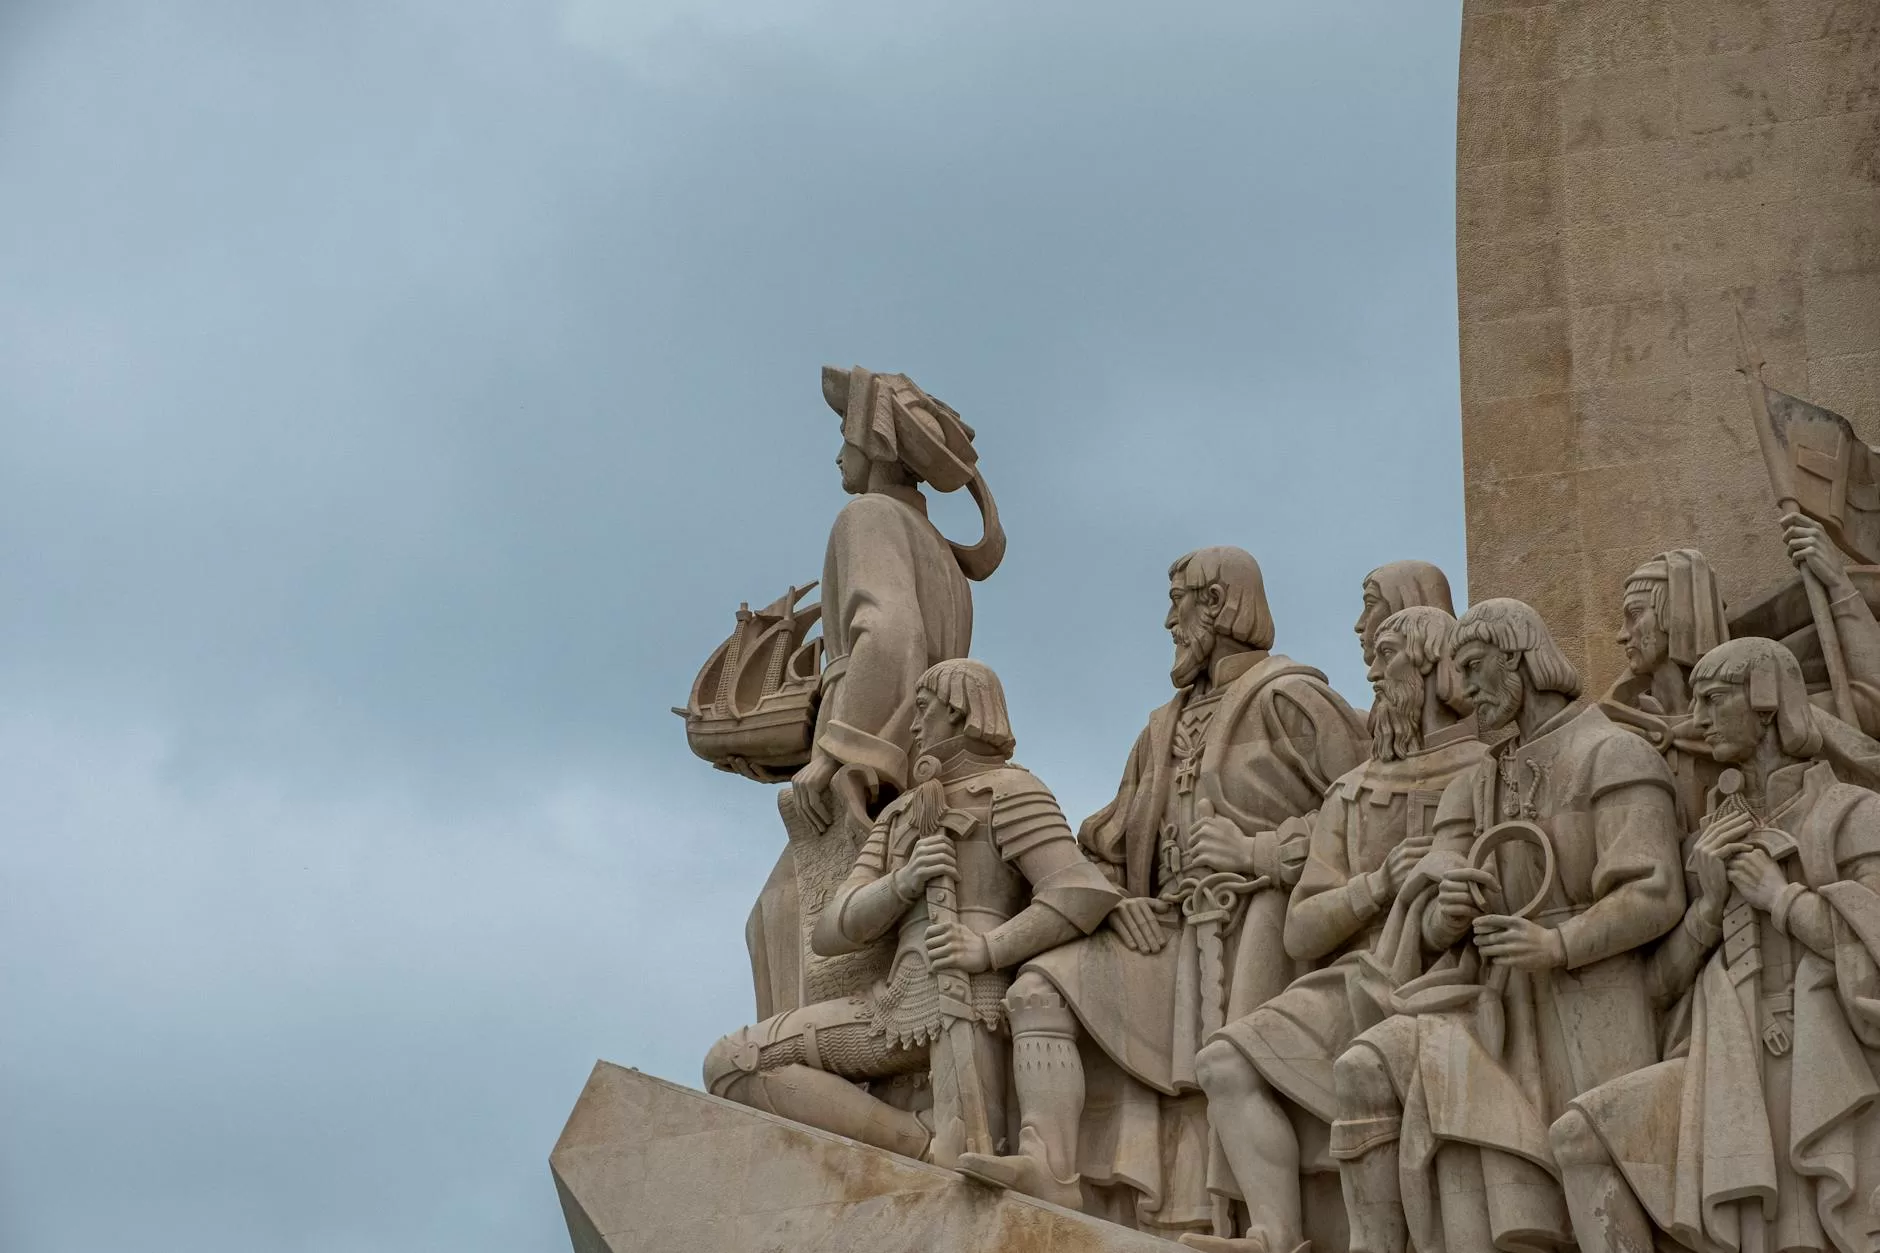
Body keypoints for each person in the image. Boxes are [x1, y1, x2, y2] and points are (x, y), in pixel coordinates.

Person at [957, 547, 1368, 1237]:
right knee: (1040, 986)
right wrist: (1118, 902)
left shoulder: (1290, 695)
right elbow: (1107, 845)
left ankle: (1268, 1228)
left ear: (1218, 604)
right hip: (1169, 929)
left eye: (1180, 601)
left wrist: (1261, 851)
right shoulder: (1160, 727)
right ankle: (1047, 1164)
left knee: (1239, 1067)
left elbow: (1369, 803)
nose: (1170, 619)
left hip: (1262, 924)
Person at [1332, 599, 1686, 1253]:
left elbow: (1655, 890)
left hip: (1594, 1002)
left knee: (1591, 1185)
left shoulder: (1613, 752)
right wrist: (1448, 912)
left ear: (1518, 659)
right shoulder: (1475, 783)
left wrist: (1557, 942)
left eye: (1473, 668)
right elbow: (1432, 924)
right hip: (1494, 1007)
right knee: (1364, 1066)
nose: (1462, 692)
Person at [704, 659, 1117, 1161]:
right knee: (733, 1063)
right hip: (893, 1003)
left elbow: (1079, 891)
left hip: (972, 998)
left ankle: (946, 1143)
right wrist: (903, 881)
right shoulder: (901, 814)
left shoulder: (1008, 791)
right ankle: (918, 1143)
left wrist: (988, 948)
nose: (914, 726)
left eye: (924, 710)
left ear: (961, 712)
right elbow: (832, 929)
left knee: (969, 1139)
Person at [1553, 637, 1880, 1253]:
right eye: (1696, 698)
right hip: (1723, 1052)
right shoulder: (1710, 833)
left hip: (1820, 1058)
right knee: (1580, 1138)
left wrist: (1781, 898)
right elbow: (1657, 988)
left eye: (1714, 698)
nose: (1697, 718)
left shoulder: (1850, 815)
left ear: (1765, 703)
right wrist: (1704, 908)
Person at [1190, 606, 1484, 1253]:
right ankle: (1276, 1233)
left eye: (1387, 657)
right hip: (1353, 977)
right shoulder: (1353, 791)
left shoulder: (1488, 768)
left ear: (1434, 664)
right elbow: (1302, 931)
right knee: (1222, 1062)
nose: (1371, 673)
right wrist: (1377, 883)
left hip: (1452, 979)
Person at [746, 366, 1006, 1018]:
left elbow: (889, 636)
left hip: (872, 758)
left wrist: (841, 756)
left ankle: (793, 1074)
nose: (838, 450)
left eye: (845, 431)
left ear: (874, 440)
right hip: (916, 751)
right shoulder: (941, 553)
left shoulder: (866, 516)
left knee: (783, 921)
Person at [1599, 548, 1730, 828]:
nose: (1622, 635)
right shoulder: (1614, 728)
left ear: (1677, 616)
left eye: (1635, 614)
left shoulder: (1738, 727)